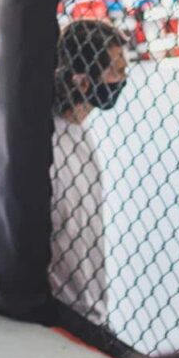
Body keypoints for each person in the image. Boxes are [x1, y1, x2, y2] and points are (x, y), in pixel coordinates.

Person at [50, 19, 130, 326]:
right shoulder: (60, 157)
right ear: (84, 82)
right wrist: (92, 320)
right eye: (117, 71)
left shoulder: (76, 132)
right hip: (75, 317)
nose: (124, 78)